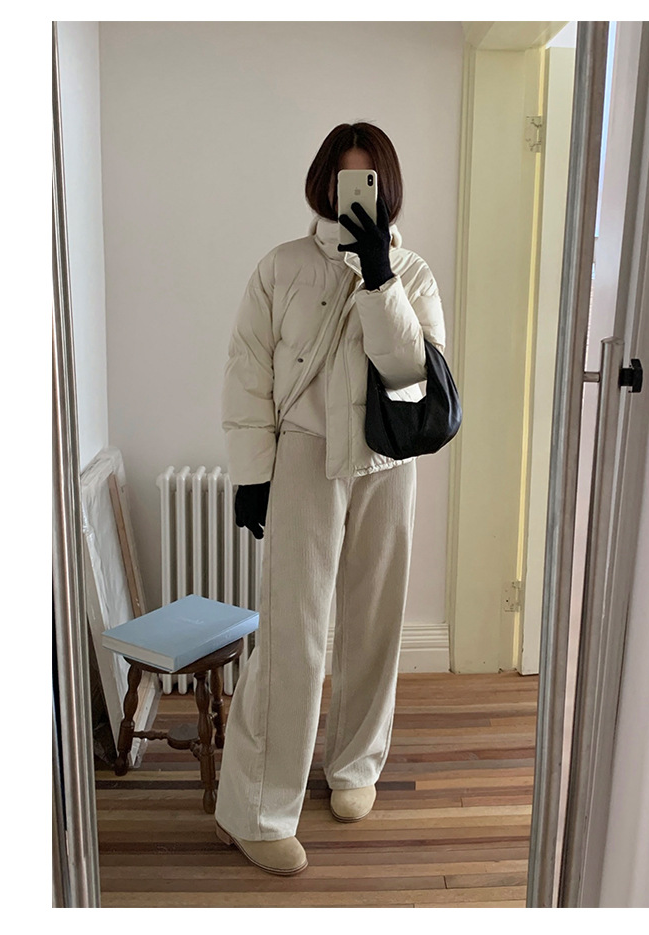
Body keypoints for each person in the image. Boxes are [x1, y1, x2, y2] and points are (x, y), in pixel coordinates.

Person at [214, 122, 446, 876]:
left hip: (386, 462)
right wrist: (253, 476)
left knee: (374, 623)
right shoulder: (280, 268)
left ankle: (355, 766)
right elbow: (248, 375)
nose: (355, 194)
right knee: (293, 633)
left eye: (368, 181)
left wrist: (379, 279)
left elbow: (410, 375)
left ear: (386, 187)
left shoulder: (411, 274)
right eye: (345, 179)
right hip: (304, 458)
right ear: (323, 182)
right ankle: (257, 809)